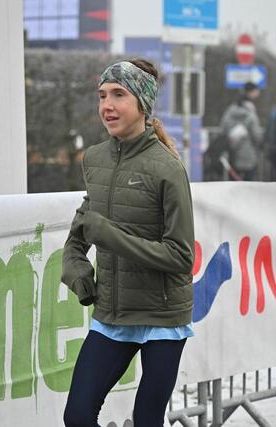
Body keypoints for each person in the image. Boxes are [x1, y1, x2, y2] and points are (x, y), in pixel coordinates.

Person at [61, 58, 195, 426]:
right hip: (113, 313)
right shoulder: (95, 159)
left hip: (162, 317)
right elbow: (78, 236)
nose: (107, 105)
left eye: (118, 94)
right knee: (77, 416)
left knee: (148, 420)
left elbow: (181, 256)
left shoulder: (168, 168)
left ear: (142, 103)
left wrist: (110, 236)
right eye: (102, 95)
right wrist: (76, 271)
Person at [217, 81, 264, 180]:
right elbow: (255, 134)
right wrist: (261, 144)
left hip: (232, 152)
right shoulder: (250, 113)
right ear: (250, 92)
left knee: (234, 182)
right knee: (250, 183)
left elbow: (223, 127)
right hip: (249, 153)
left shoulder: (230, 110)